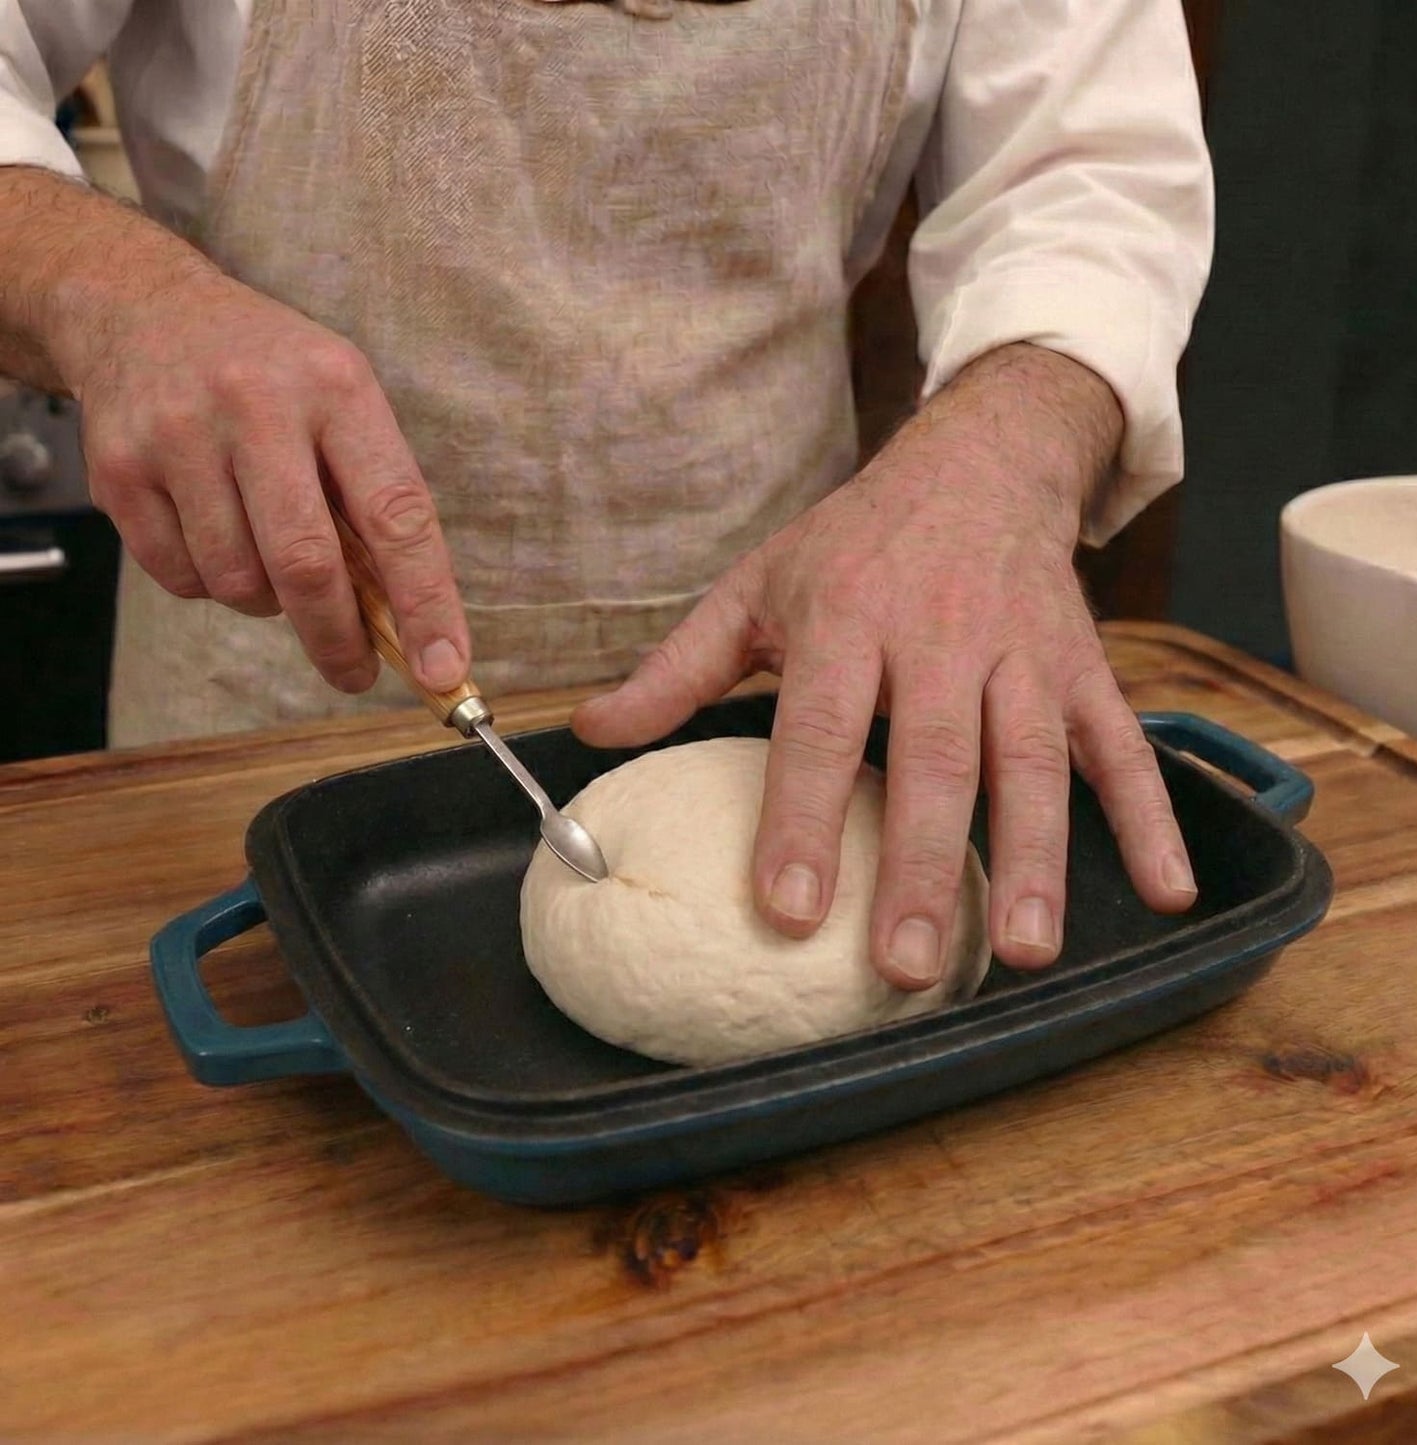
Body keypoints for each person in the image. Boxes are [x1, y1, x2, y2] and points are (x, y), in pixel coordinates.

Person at [0, 0, 1212, 988]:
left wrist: (998, 458)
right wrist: (115, 294)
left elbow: (1086, 171)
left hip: (789, 684)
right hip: (260, 670)